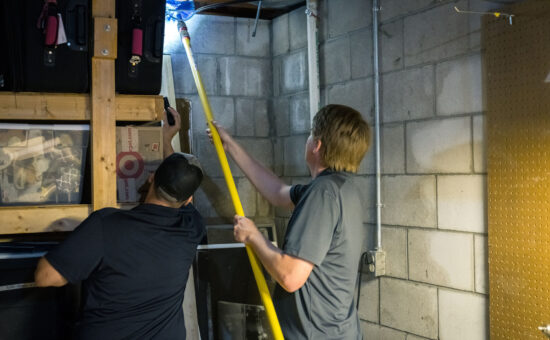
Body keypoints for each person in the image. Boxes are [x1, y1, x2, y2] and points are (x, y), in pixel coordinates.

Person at [34, 108, 206, 340]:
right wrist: (166, 140)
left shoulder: (106, 226)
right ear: (188, 200)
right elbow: (176, 184)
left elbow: (45, 277)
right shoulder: (191, 227)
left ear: (151, 177)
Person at [208, 104, 371, 339]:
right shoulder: (342, 188)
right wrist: (229, 145)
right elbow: (277, 191)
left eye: (310, 134)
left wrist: (253, 236)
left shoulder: (323, 194)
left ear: (317, 145)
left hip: (315, 334)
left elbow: (290, 277)